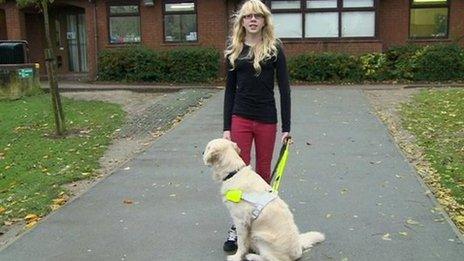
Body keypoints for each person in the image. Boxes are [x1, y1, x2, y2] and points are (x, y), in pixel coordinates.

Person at [222, 0, 291, 252]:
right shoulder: (235, 49)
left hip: (266, 119)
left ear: (264, 21)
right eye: (247, 16)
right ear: (242, 21)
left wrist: (287, 127)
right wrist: (226, 126)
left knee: (262, 174)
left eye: (257, 16)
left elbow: (284, 89)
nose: (252, 20)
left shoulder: (274, 49)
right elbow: (229, 91)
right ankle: (235, 227)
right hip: (240, 117)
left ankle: (259, 226)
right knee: (236, 175)